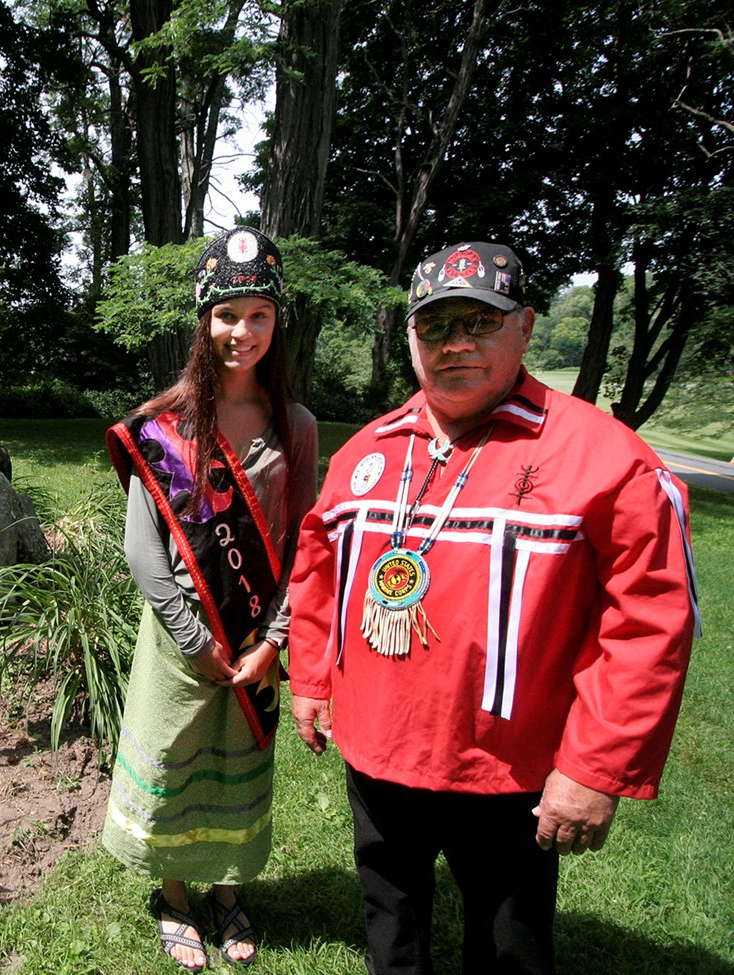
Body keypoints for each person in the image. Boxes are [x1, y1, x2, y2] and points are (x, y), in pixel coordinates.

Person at [287, 241, 700, 974]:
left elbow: (650, 621)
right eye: (435, 325)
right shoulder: (367, 452)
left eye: (480, 321)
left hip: (509, 768)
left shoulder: (606, 458)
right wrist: (315, 679)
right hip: (379, 751)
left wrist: (596, 766)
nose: (456, 344)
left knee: (509, 942)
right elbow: (320, 569)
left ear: (527, 327)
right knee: (392, 919)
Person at [103, 227, 319, 971]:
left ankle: (228, 892)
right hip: (179, 639)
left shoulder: (297, 427)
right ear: (204, 320)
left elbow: (300, 546)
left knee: (236, 761)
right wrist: (196, 638)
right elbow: (143, 548)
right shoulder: (167, 424)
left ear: (275, 322)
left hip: (255, 636)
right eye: (228, 315)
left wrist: (273, 639)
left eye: (259, 315)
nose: (243, 332)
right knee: (175, 759)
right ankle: (173, 894)